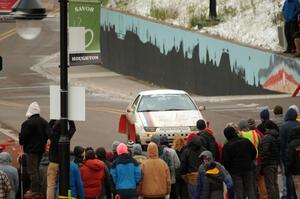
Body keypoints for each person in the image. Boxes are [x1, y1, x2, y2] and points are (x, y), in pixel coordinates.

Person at [19, 101, 50, 198]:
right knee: (37, 169)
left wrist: (22, 140)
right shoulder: (44, 122)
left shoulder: (27, 123)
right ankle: (38, 188)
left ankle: (34, 190)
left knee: (32, 171)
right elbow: (48, 135)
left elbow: (23, 138)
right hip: (41, 149)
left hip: (31, 151)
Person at [222, 126, 257, 199]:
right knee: (250, 189)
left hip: (235, 172)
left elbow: (225, 161)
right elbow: (254, 153)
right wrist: (249, 161)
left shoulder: (227, 146)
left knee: (239, 192)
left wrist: (230, 170)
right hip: (248, 168)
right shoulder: (246, 141)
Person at [47, 120, 76, 199]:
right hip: (63, 163)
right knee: (61, 184)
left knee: (51, 185)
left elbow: (47, 127)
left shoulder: (52, 135)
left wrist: (53, 119)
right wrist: (70, 120)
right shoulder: (66, 136)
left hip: (53, 162)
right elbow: (73, 128)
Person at [280, 107, 300, 199]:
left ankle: (290, 196)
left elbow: (282, 144)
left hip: (287, 155)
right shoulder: (298, 124)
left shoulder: (284, 126)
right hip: (298, 155)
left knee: (288, 177)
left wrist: (282, 156)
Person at [180, 135, 205, 199]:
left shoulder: (186, 151)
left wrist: (183, 175)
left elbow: (183, 164)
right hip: (202, 176)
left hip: (191, 177)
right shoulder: (204, 151)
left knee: (192, 195)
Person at [260, 121, 280, 199]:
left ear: (267, 128)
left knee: (270, 185)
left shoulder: (266, 138)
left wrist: (263, 165)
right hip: (275, 163)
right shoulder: (276, 136)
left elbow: (265, 152)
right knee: (275, 184)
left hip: (268, 164)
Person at [286, 126, 300, 198]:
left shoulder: (292, 144)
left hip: (296, 172)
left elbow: (289, 159)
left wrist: (287, 171)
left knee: (298, 191)